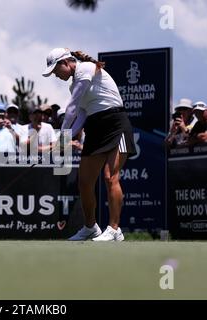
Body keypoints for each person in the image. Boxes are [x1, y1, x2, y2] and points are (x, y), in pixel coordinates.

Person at [43, 47, 136, 241]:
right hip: (95, 127)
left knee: (110, 177)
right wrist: (66, 137)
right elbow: (82, 116)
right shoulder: (73, 85)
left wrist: (63, 136)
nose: (56, 76)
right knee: (85, 182)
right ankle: (91, 227)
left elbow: (72, 107)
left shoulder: (86, 68)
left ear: (65, 63)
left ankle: (114, 229)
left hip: (116, 123)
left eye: (55, 71)